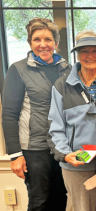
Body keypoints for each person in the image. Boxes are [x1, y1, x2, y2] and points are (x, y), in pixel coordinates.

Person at [2, 17, 71, 211]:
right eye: (37, 39)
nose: (43, 44)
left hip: (61, 146)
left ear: (55, 43)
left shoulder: (67, 69)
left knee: (61, 198)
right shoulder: (18, 70)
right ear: (30, 43)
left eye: (48, 39)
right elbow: (9, 114)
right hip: (34, 149)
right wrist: (15, 155)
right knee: (40, 201)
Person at [47, 30, 96, 211]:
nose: (90, 56)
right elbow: (55, 128)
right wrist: (66, 154)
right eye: (84, 51)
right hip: (77, 164)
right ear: (77, 55)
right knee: (81, 208)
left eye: (95, 51)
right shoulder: (62, 86)